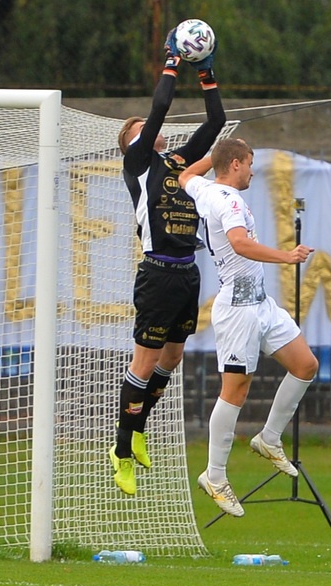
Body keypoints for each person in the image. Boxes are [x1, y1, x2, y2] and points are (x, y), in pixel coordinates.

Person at [109, 31, 226, 496]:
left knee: (173, 357)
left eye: (147, 128)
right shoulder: (138, 163)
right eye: (139, 129)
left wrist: (206, 70)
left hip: (187, 271)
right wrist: (172, 63)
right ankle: (120, 450)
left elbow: (215, 120)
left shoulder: (179, 161)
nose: (150, 129)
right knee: (144, 360)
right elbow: (158, 108)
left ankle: (138, 429)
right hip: (157, 272)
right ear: (132, 144)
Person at [178, 138, 318, 517]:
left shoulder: (206, 189)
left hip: (260, 303)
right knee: (236, 390)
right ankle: (215, 475)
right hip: (238, 310)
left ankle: (269, 438)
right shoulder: (231, 201)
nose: (253, 171)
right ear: (237, 164)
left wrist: (217, 154)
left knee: (305, 365)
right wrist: (287, 256)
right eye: (250, 163)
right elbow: (239, 244)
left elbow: (186, 174)